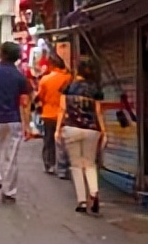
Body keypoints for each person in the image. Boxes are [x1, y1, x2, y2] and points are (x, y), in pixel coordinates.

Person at [0, 41, 31, 204]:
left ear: (2, 53)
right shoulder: (20, 77)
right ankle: (9, 192)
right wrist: (27, 125)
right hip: (14, 120)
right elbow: (25, 103)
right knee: (11, 156)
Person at [56, 57, 106, 215]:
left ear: (77, 69)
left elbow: (62, 109)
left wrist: (57, 129)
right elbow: (98, 112)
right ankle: (94, 192)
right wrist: (104, 131)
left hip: (72, 128)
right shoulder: (95, 89)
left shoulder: (68, 87)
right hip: (92, 130)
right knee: (90, 164)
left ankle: (82, 202)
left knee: (76, 165)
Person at [36, 55, 72, 174]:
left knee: (48, 141)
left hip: (48, 114)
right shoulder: (68, 78)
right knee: (64, 142)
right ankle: (64, 167)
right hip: (65, 115)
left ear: (51, 65)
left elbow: (40, 96)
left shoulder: (45, 79)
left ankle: (49, 164)